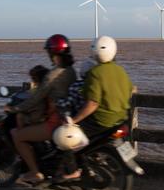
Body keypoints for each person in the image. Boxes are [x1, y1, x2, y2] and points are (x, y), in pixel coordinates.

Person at [54, 36, 133, 182]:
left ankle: (72, 171)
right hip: (121, 119)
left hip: (101, 122)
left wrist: (73, 121)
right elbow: (132, 89)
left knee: (67, 138)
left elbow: (92, 104)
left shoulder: (96, 73)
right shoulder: (120, 71)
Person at [6, 34, 76, 185]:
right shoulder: (71, 71)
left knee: (18, 136)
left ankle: (35, 172)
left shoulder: (52, 75)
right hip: (68, 117)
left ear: (52, 52)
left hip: (55, 122)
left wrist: (16, 108)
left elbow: (35, 98)